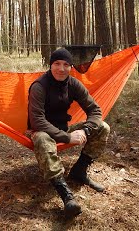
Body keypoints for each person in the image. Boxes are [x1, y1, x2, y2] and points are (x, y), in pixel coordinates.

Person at [26, 48, 110, 218]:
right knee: (42, 139)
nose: (61, 69)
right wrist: (68, 137)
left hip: (63, 129)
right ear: (50, 65)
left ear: (71, 67)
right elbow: (37, 121)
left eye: (66, 64)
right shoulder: (39, 87)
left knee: (103, 127)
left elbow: (94, 109)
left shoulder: (73, 84)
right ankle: (66, 196)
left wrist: (86, 129)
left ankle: (79, 171)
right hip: (40, 131)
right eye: (57, 64)